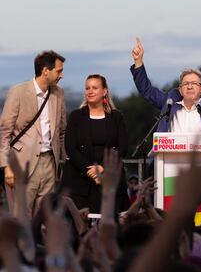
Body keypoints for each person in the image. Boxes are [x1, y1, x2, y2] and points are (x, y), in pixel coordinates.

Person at [130, 38, 201, 180]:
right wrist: (138, 62)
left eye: (194, 83)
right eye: (185, 83)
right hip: (170, 170)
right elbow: (147, 91)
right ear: (180, 88)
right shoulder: (170, 102)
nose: (189, 86)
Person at [0, 50, 66, 217]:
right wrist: (7, 167)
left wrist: (62, 162)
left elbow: (62, 131)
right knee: (21, 218)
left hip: (50, 164)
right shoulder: (18, 92)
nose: (62, 75)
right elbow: (4, 132)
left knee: (44, 218)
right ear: (45, 71)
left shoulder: (59, 93)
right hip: (22, 165)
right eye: (59, 71)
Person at [60, 74, 129, 213]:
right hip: (79, 182)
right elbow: (70, 148)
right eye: (87, 88)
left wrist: (103, 168)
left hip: (109, 180)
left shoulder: (116, 117)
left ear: (104, 91)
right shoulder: (76, 116)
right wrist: (91, 171)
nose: (90, 91)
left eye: (94, 88)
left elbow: (123, 147)